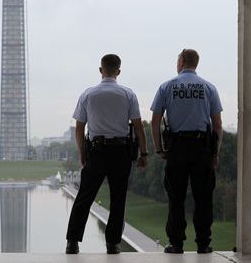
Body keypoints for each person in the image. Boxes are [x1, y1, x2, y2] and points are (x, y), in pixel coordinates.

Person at [65, 54, 148, 255]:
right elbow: (138, 128)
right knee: (118, 199)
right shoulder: (128, 94)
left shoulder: (88, 94)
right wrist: (143, 153)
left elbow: (79, 128)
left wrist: (82, 152)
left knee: (84, 197)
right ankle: (113, 244)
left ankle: (73, 242)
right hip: (120, 152)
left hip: (96, 151)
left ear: (101, 70)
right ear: (118, 71)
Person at [150, 49, 223, 254]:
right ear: (196, 63)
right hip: (202, 149)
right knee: (203, 198)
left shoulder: (166, 86)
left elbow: (155, 121)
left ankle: (176, 243)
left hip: (177, 149)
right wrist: (215, 153)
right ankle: (203, 243)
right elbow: (217, 124)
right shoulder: (209, 88)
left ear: (181, 62)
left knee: (176, 198)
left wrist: (158, 148)